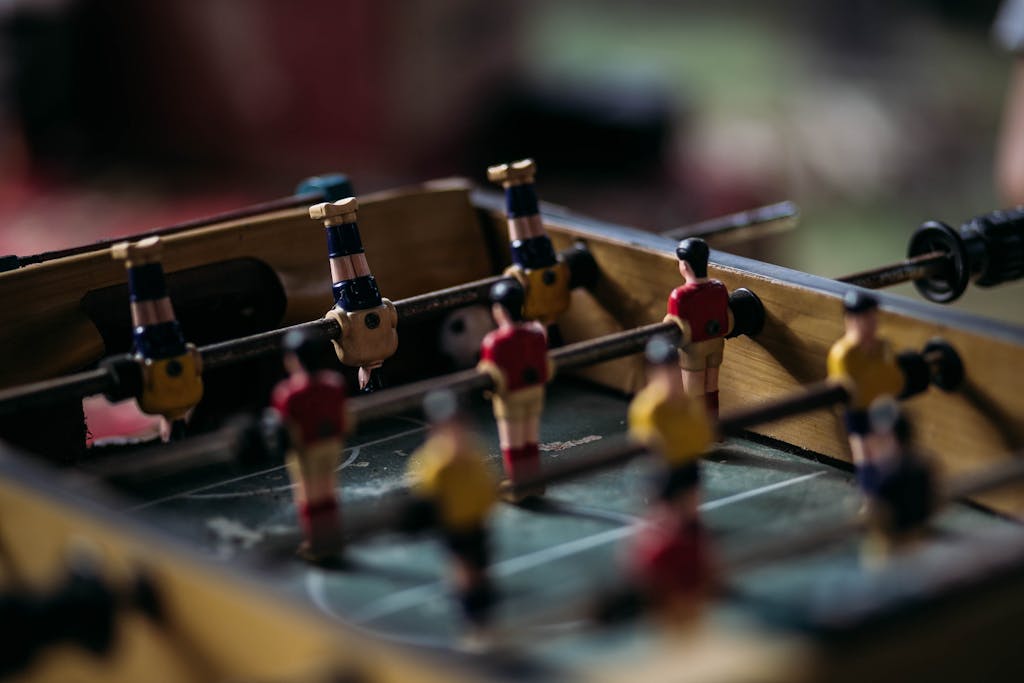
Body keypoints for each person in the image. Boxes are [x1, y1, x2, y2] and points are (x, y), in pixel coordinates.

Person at [407, 390, 498, 635]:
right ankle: (472, 615)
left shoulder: (474, 452)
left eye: (459, 425)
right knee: (464, 569)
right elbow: (424, 495)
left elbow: (486, 484)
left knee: (480, 564)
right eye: (449, 427)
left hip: (475, 519)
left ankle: (481, 611)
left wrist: (487, 505)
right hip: (453, 523)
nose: (456, 434)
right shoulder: (434, 463)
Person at [270, 329, 349, 561]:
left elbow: (285, 427)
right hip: (330, 445)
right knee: (327, 493)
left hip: (306, 450)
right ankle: (333, 538)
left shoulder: (287, 394)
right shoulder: (334, 383)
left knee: (309, 497)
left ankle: (316, 543)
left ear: (293, 360)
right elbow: (344, 418)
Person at [477, 279, 551, 499]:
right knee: (530, 439)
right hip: (534, 393)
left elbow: (490, 373)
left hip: (511, 398)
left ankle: (519, 486)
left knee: (513, 443)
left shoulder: (494, 342)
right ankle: (534, 481)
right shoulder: (537, 333)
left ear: (499, 310)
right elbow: (546, 365)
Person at [826, 291, 904, 480]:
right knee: (863, 452)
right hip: (859, 410)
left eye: (872, 317)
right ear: (851, 321)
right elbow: (840, 387)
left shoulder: (884, 347)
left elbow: (894, 376)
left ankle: (889, 487)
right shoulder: (843, 354)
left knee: (889, 449)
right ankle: (870, 491)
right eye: (865, 318)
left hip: (883, 405)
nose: (871, 323)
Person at [665, 238, 732, 418]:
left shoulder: (679, 296)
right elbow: (726, 318)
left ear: (685, 266)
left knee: (693, 393)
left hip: (693, 350)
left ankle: (697, 434)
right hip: (716, 345)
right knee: (712, 387)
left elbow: (674, 327)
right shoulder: (719, 288)